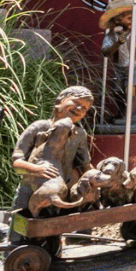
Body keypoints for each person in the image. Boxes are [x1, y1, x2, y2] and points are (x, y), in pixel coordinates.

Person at [10, 85, 94, 221]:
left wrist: (96, 178)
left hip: (60, 192)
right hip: (30, 190)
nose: (79, 109)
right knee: (20, 227)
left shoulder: (79, 135)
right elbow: (17, 164)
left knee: (52, 230)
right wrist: (36, 169)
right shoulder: (39, 127)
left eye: (85, 108)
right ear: (59, 101)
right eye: (76, 103)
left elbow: (85, 166)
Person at [99, 0, 136, 118]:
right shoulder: (112, 36)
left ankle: (130, 116)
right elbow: (106, 53)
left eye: (134, 18)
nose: (133, 21)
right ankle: (122, 114)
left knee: (130, 92)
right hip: (120, 68)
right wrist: (117, 43)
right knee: (118, 92)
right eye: (129, 18)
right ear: (118, 20)